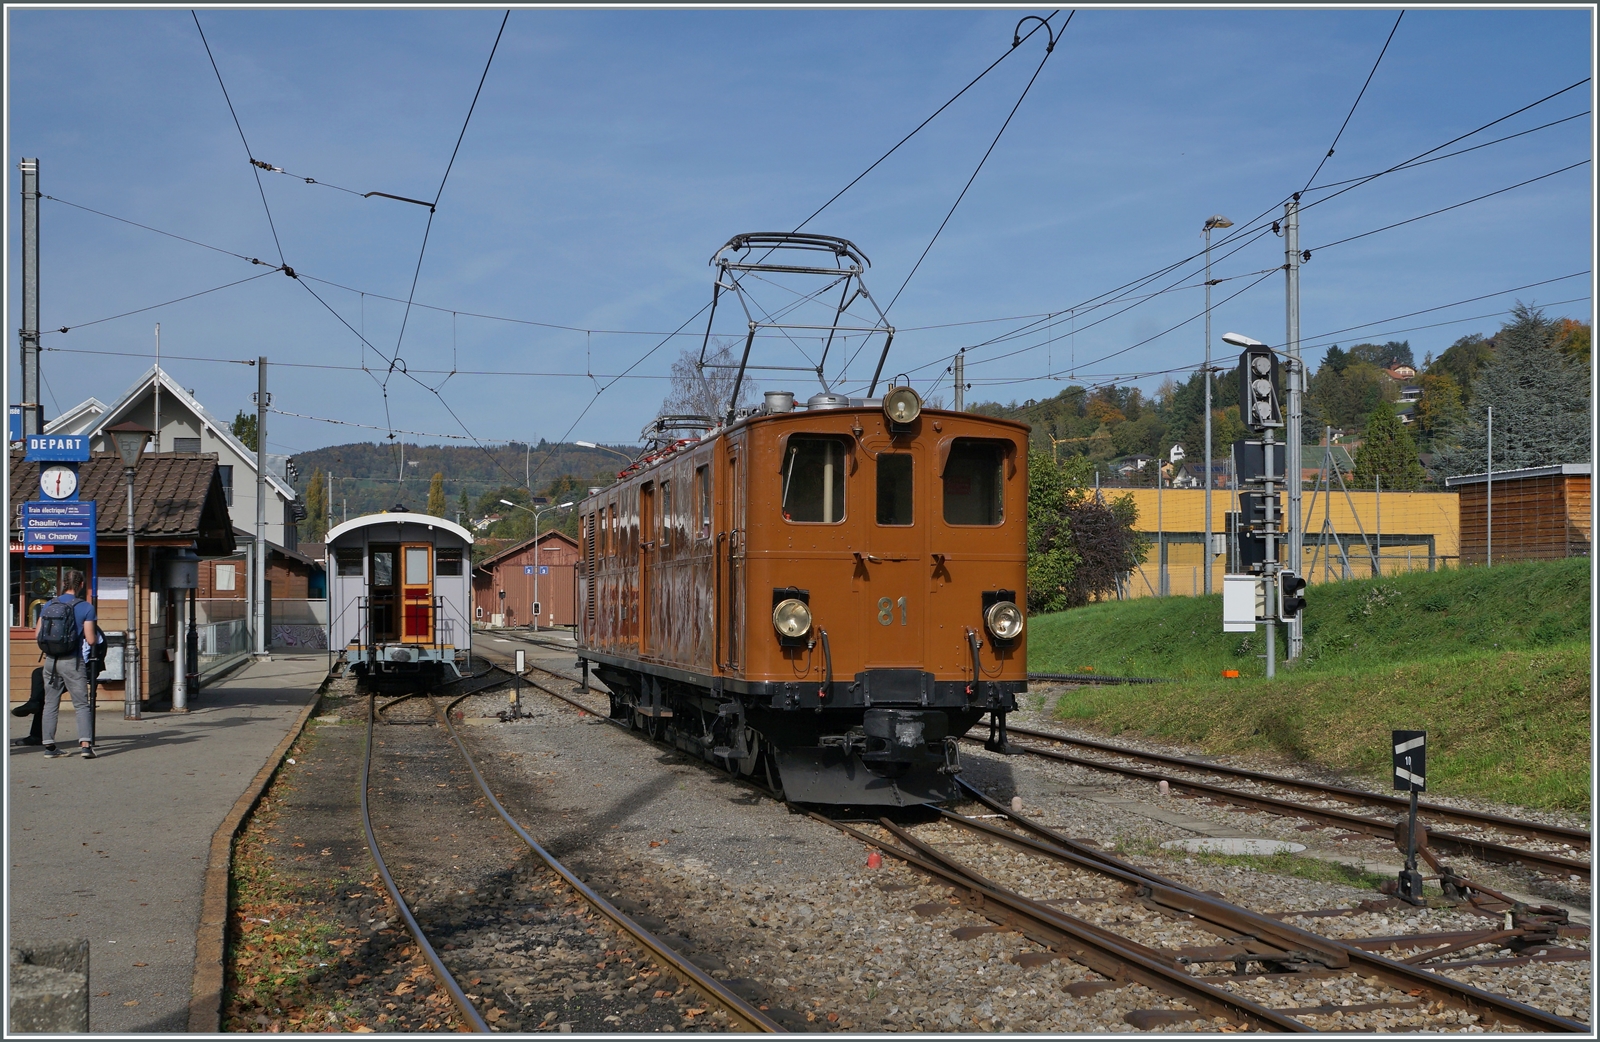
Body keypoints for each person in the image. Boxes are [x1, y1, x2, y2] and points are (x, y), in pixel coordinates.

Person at [34, 569, 98, 759]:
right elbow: (91, 639)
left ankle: (49, 746)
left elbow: (37, 634)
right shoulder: (86, 607)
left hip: (51, 661)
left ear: (63, 584)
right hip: (72, 661)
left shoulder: (49, 605)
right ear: (80, 585)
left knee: (50, 703)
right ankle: (85, 746)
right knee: (81, 705)